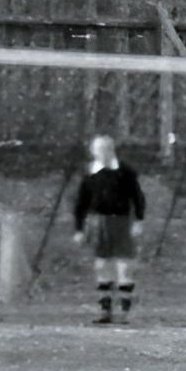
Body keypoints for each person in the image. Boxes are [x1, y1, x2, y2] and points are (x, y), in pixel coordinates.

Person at [72, 135, 146, 325]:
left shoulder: (125, 171)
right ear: (94, 152)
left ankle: (125, 312)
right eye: (99, 149)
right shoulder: (89, 173)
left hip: (122, 222)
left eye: (106, 149)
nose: (103, 153)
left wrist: (138, 221)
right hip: (98, 223)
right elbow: (81, 203)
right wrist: (79, 229)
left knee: (124, 266)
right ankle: (105, 311)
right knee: (102, 266)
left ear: (112, 150)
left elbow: (137, 197)